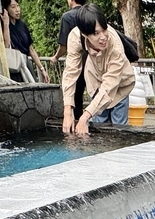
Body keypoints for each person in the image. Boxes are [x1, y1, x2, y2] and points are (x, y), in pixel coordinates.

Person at [62, 3, 135, 134]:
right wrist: (67, 111)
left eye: (104, 29)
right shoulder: (75, 37)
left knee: (119, 131)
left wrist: (84, 117)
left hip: (119, 85)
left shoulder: (115, 46)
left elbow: (109, 86)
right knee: (99, 129)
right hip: (95, 82)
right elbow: (70, 72)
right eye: (96, 33)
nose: (103, 37)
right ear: (85, 34)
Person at [0, 0, 49, 84]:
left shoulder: (22, 25)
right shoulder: (2, 26)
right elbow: (7, 46)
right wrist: (6, 25)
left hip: (25, 64)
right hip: (14, 67)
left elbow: (31, 49)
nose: (17, 9)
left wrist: (42, 69)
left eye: (18, 6)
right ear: (6, 9)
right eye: (13, 7)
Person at [52, 0, 87, 117]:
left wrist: (56, 57)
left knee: (75, 99)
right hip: (93, 61)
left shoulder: (67, 17)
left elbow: (64, 46)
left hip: (76, 62)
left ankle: (76, 127)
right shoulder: (90, 13)